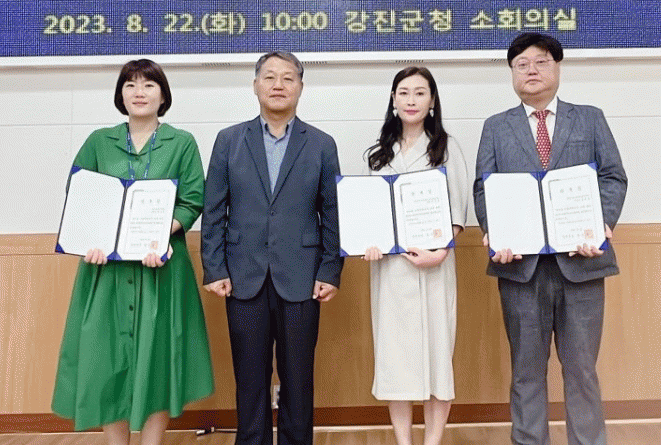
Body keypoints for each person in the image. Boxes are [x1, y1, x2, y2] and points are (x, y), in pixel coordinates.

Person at [473, 33, 627, 445]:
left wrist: (601, 223)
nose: (532, 71)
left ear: (557, 68)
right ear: (512, 73)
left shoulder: (589, 118)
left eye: (541, 62)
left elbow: (613, 176)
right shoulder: (496, 126)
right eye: (522, 64)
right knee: (526, 372)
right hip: (520, 269)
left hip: (583, 263)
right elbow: (484, 188)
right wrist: (495, 232)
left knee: (581, 370)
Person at [52, 59, 214, 445]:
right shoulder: (98, 141)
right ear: (120, 94)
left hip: (161, 266)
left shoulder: (182, 143)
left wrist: (157, 234)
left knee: (158, 360)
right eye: (130, 84)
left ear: (163, 95)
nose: (139, 92)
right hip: (105, 270)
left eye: (148, 85)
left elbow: (193, 199)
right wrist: (90, 239)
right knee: (106, 360)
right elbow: (80, 196)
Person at [201, 51, 343, 445]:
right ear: (255, 85)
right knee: (249, 380)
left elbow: (333, 213)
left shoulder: (321, 144)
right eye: (269, 77)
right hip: (243, 276)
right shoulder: (229, 140)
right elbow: (213, 210)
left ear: (300, 87)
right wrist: (214, 268)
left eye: (287, 78)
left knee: (299, 379)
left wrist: (330, 270)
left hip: (302, 276)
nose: (278, 85)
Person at [362, 66, 468, 445]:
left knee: (438, 359)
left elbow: (458, 213)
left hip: (434, 268)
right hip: (391, 272)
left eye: (420, 93)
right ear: (393, 100)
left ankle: (433, 441)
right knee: (396, 361)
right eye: (404, 92)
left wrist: (439, 253)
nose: (411, 100)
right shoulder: (378, 154)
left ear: (432, 101)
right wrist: (369, 242)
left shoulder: (447, 148)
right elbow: (369, 215)